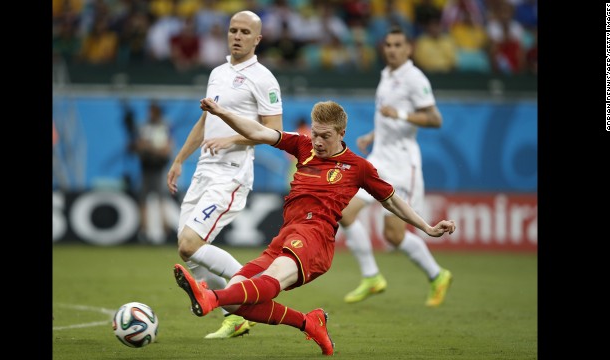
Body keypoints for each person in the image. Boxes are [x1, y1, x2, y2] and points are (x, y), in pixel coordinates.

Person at [173, 99, 456, 356]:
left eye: (325, 136)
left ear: (341, 133)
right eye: (315, 133)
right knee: (237, 301)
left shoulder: (358, 167)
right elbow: (259, 132)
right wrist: (223, 112)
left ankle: (211, 297)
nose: (318, 141)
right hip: (286, 234)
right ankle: (309, 323)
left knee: (265, 282)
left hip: (316, 238)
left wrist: (427, 227)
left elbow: (392, 200)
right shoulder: (302, 145)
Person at [166, 10, 283, 339]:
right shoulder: (217, 72)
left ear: (258, 38)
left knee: (191, 244)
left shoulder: (263, 79)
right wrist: (179, 159)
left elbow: (274, 132)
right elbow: (205, 123)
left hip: (231, 174)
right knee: (186, 250)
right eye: (233, 30)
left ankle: (253, 290)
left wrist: (232, 138)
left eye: (246, 32)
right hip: (204, 171)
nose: (237, 36)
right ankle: (236, 315)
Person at [339, 26, 453, 308]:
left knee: (394, 235)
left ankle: (437, 275)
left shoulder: (414, 78)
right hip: (379, 159)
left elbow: (435, 119)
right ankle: (372, 276)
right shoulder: (387, 75)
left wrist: (400, 113)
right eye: (387, 44)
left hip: (403, 165)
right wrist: (373, 135)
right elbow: (389, 119)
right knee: (343, 211)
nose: (391, 49)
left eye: (397, 44)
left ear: (408, 49)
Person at [133, 101, 173, 243]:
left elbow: (166, 150)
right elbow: (139, 146)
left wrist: (149, 148)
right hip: (146, 167)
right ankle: (143, 231)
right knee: (144, 200)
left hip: (159, 168)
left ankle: (166, 230)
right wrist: (155, 149)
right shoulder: (144, 126)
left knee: (161, 198)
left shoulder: (164, 126)